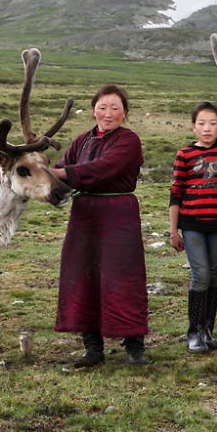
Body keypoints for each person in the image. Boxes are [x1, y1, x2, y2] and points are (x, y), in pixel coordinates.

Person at [52, 84, 148, 367]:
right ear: (94, 109)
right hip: (84, 217)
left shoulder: (129, 140)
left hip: (118, 214)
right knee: (84, 276)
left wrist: (62, 173)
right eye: (103, 107)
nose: (108, 114)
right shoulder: (81, 141)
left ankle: (134, 346)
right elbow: (61, 169)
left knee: (123, 277)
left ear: (125, 114)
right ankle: (92, 348)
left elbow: (105, 168)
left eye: (115, 108)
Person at [169, 102, 217, 354]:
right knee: (200, 275)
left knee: (213, 275)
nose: (207, 128)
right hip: (192, 224)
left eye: (213, 123)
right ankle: (194, 332)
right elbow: (176, 193)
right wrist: (173, 231)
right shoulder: (185, 154)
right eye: (201, 123)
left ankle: (206, 331)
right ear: (193, 127)